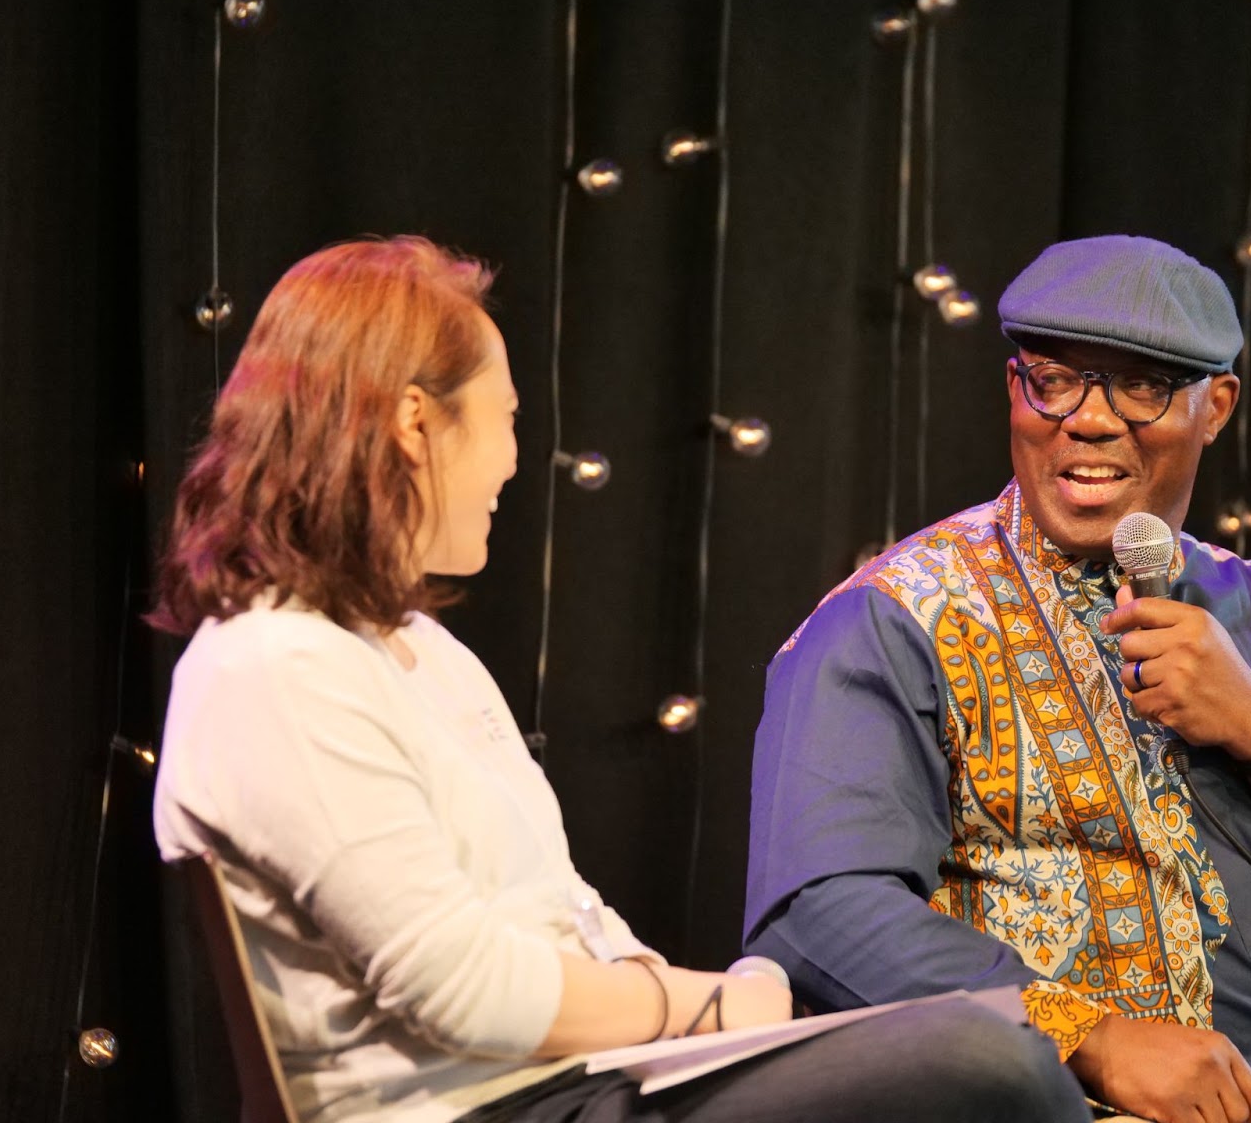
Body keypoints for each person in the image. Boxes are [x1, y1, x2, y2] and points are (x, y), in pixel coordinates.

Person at [149, 236, 1087, 1123]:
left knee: (988, 1042)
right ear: (414, 421)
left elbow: (566, 911)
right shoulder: (274, 668)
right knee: (988, 1059)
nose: (514, 460)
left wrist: (715, 1004)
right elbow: (462, 990)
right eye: (506, 418)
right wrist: (708, 1007)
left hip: (584, 1086)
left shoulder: (423, 652)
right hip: (490, 1108)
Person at [745, 235, 1251, 1123]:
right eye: (1054, 379)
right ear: (1014, 389)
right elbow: (821, 913)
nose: (1089, 419)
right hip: (1050, 1093)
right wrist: (1093, 1038)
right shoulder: (894, 616)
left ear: (1216, 406)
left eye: (1142, 386)